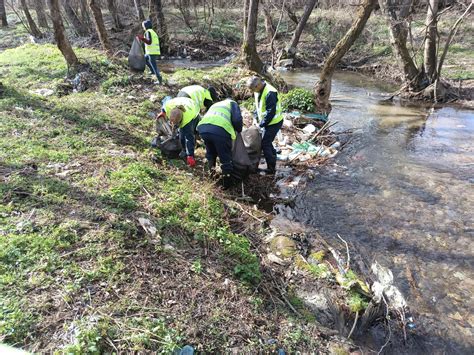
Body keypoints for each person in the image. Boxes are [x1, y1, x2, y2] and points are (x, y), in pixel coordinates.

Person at [197, 99, 243, 188]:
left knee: (211, 153)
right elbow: (237, 120)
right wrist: (239, 130)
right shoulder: (233, 103)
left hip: (203, 128)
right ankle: (226, 184)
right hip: (220, 130)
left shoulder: (217, 104)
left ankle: (211, 177)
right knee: (225, 157)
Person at [246, 76, 283, 175]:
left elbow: (271, 112)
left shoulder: (270, 92)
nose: (252, 91)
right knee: (267, 141)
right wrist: (255, 116)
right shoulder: (258, 90)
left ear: (258, 85)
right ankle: (273, 156)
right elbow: (259, 106)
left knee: (265, 143)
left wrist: (261, 124)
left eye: (253, 89)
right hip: (268, 122)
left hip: (274, 122)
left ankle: (271, 168)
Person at [157, 97, 200, 166]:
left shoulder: (187, 120)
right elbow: (165, 105)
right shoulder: (169, 106)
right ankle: (177, 138)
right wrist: (163, 112)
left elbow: (189, 138)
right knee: (180, 132)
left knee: (185, 134)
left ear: (181, 120)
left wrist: (190, 155)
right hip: (181, 100)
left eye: (176, 123)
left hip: (193, 109)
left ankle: (185, 151)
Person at [136, 20, 163, 85]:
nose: (143, 27)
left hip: (152, 52)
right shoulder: (153, 32)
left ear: (145, 26)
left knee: (154, 66)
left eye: (143, 26)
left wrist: (141, 38)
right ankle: (152, 71)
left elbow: (149, 42)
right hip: (152, 52)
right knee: (144, 59)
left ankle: (159, 80)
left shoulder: (148, 32)